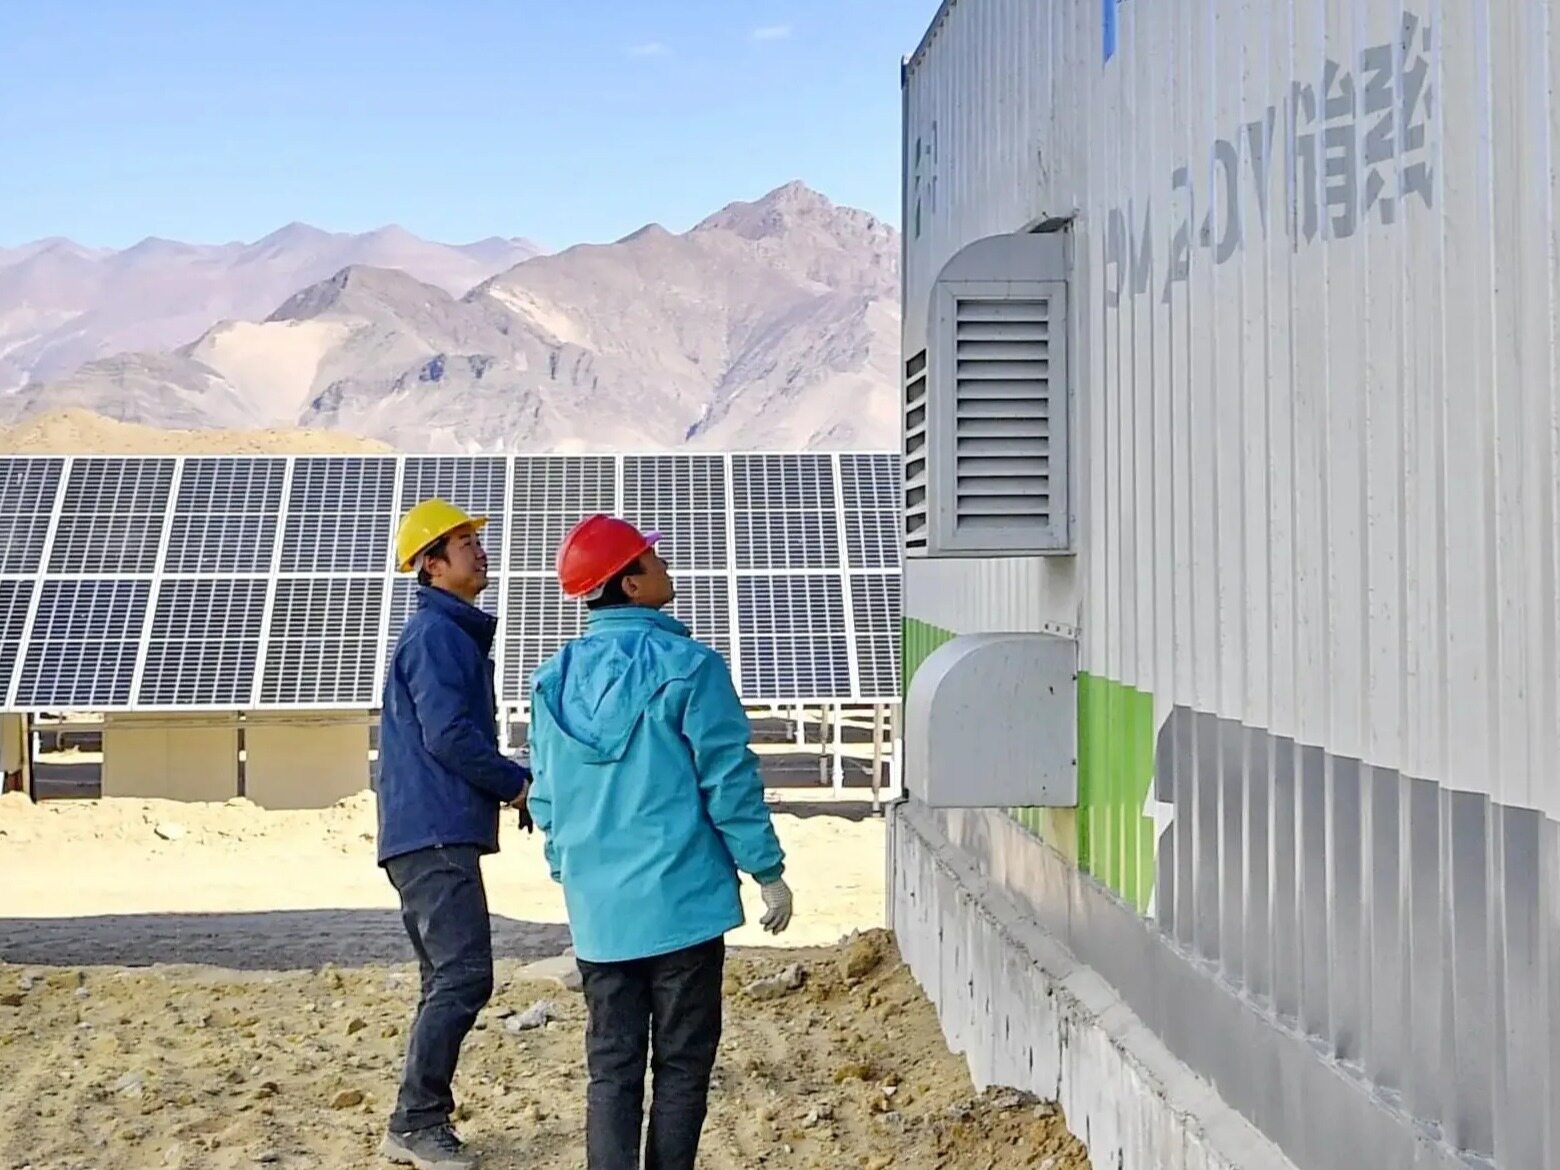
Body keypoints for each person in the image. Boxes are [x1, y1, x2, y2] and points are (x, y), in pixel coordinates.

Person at [526, 514, 794, 1170]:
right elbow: (728, 779)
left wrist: (573, 871)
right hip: (684, 906)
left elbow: (546, 797)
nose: (667, 569)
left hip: (600, 915)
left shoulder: (552, 679)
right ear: (633, 584)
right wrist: (766, 870)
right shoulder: (692, 668)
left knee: (611, 1070)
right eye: (654, 560)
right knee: (681, 1067)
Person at [376, 498, 531, 1170]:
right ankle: (415, 1123)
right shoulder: (437, 637)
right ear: (431, 566)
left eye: (474, 538)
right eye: (462, 542)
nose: (478, 549)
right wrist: (516, 783)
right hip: (433, 833)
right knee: (465, 976)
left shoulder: (445, 632)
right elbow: (449, 736)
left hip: (425, 830)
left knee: (444, 978)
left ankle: (416, 1121)